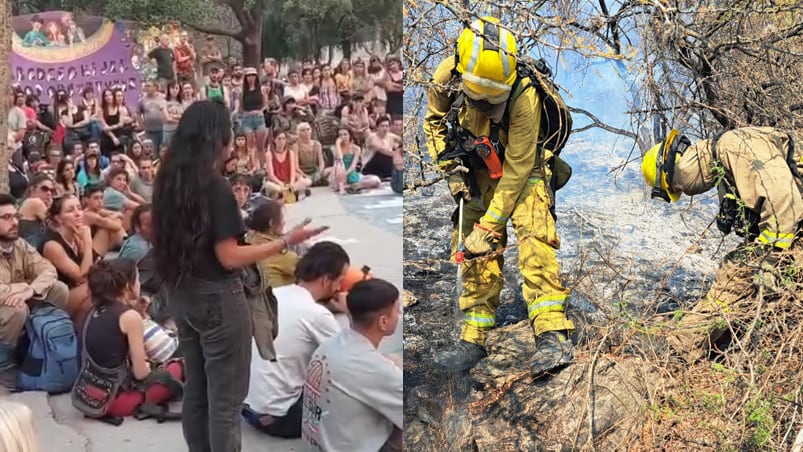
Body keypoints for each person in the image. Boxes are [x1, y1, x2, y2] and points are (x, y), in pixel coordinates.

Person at [151, 100, 327, 451]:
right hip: (217, 296)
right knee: (226, 402)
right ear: (217, 138)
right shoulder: (214, 186)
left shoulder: (167, 180)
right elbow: (229, 256)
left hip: (181, 292)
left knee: (197, 391)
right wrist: (285, 241)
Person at [423, 17, 575, 373]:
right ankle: (474, 337)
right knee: (474, 251)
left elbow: (519, 167)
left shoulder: (524, 95)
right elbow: (433, 124)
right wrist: (452, 173)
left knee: (535, 234)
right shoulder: (448, 75)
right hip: (476, 170)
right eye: (482, 100)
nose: (489, 108)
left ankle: (552, 334)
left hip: (525, 173)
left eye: (495, 101)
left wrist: (490, 226)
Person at [642, 126, 803, 362]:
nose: (682, 192)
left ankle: (679, 352)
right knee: (738, 268)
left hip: (792, 224)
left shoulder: (732, 145)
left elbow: (783, 201)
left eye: (676, 187)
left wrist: (768, 260)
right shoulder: (725, 162)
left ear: (673, 167)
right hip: (793, 226)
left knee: (736, 275)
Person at [242, 241, 351, 439]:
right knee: (353, 390)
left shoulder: (272, 295)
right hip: (281, 418)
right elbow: (354, 360)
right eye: (340, 281)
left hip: (247, 407)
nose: (339, 287)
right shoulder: (316, 314)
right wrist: (350, 313)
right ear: (327, 280)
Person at [301, 279, 403, 452]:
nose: (400, 314)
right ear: (383, 322)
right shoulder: (373, 368)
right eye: (397, 310)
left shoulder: (330, 344)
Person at [76, 258, 184, 418]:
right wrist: (151, 365)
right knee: (182, 363)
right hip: (117, 402)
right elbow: (141, 373)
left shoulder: (93, 310)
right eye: (138, 279)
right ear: (128, 286)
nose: (139, 284)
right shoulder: (129, 317)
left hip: (87, 394)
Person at [0, 194, 68, 388]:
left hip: (19, 302)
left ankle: (45, 344)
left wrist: (30, 289)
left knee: (59, 290)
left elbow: (48, 270)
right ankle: (4, 365)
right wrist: (19, 289)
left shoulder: (19, 245)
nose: (14, 223)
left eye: (15, 217)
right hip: (8, 310)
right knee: (16, 309)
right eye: (6, 218)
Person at [244, 200, 301, 288]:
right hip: (279, 297)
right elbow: (307, 269)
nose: (284, 222)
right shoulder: (278, 253)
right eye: (281, 219)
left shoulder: (250, 239)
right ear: (271, 223)